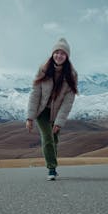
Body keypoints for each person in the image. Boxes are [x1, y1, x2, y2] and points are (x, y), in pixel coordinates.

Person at [26, 38, 78, 180]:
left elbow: (68, 101)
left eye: (62, 53)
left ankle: (52, 165)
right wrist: (30, 117)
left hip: (57, 113)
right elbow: (35, 93)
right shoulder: (43, 69)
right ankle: (52, 169)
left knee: (54, 140)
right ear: (52, 54)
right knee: (48, 137)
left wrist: (59, 122)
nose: (59, 56)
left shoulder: (72, 75)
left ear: (67, 57)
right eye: (56, 52)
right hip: (42, 111)